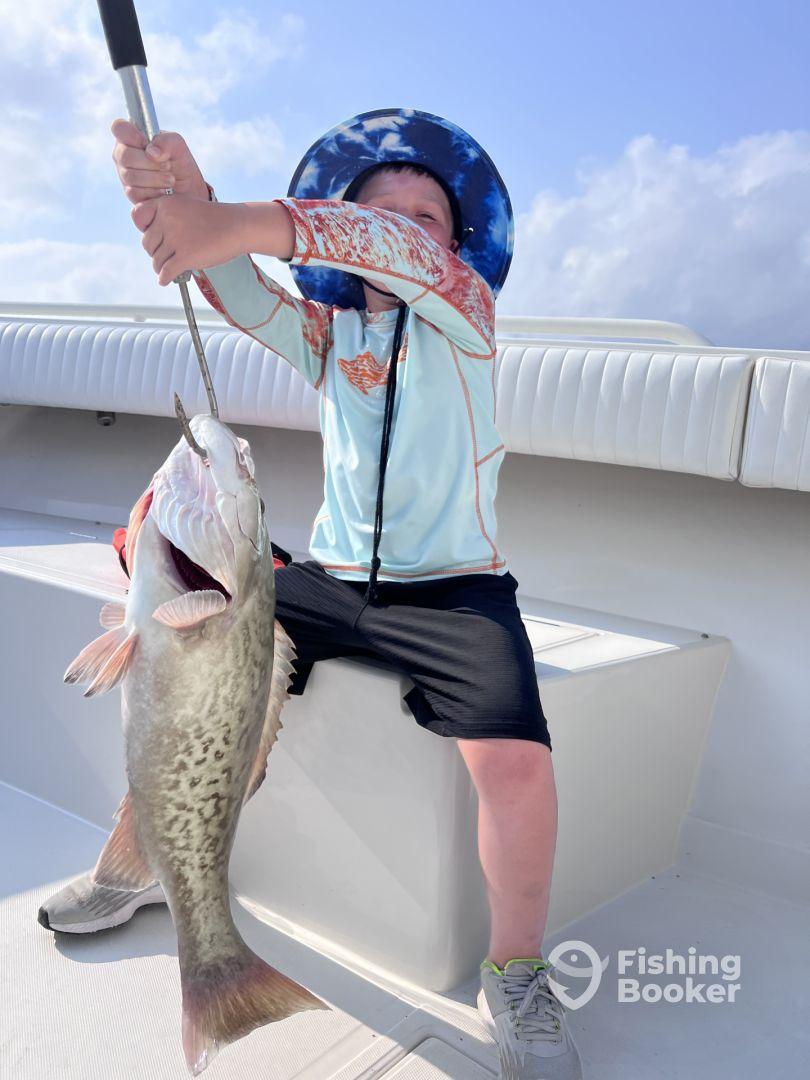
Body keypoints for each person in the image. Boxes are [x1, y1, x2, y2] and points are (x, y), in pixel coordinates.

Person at [38, 108, 582, 1079]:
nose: (407, 231)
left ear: (455, 249)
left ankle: (519, 970)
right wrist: (187, 197)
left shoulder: (465, 316)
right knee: (185, 661)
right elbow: (236, 288)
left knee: (517, 764)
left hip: (458, 595)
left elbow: (354, 246)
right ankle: (144, 869)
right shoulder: (332, 338)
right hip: (329, 580)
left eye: (429, 219)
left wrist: (231, 218)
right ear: (342, 227)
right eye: (385, 213)